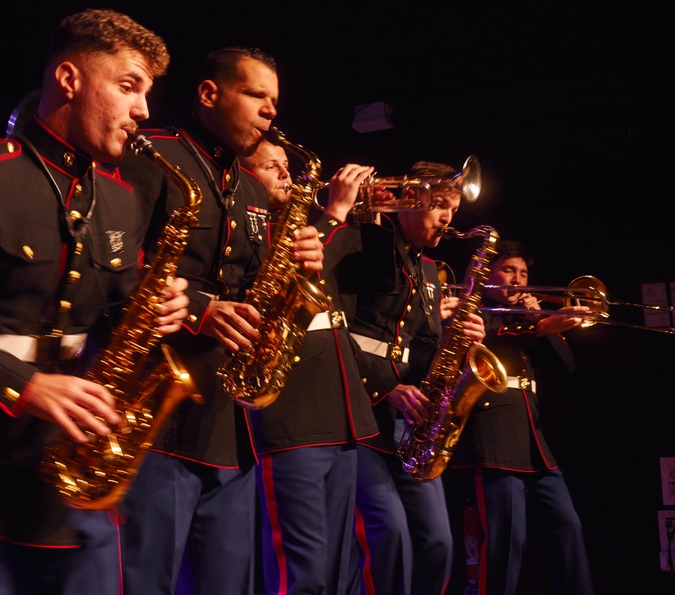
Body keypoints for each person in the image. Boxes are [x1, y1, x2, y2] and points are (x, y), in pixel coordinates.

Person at [0, 8, 190, 595]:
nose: (144, 110)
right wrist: (25, 386)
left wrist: (154, 312)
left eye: (147, 92)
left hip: (65, 480)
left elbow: (113, 314)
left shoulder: (121, 200)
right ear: (69, 79)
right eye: (128, 86)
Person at [117, 46, 324, 595]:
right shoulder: (153, 155)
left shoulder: (253, 187)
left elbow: (258, 285)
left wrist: (298, 261)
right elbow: (114, 265)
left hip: (231, 428)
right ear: (210, 94)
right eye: (257, 95)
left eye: (274, 100)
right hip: (154, 418)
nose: (270, 111)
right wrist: (202, 312)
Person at [336, 161, 487, 595]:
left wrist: (458, 343)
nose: (446, 218)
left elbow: (421, 348)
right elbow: (338, 328)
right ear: (406, 200)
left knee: (438, 542)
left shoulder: (429, 272)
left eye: (453, 210)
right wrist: (386, 386)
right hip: (361, 411)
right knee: (389, 536)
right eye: (438, 205)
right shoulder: (364, 244)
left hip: (409, 423)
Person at [240, 139, 379, 594]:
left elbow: (374, 288)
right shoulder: (252, 233)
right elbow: (286, 277)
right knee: (303, 574)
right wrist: (336, 213)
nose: (286, 174)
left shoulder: (307, 226)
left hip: (341, 417)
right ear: (244, 176)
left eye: (286, 166)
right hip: (291, 418)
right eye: (271, 166)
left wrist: (366, 216)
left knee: (340, 568)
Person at [445, 239, 595, 595]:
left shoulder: (527, 318)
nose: (517, 279)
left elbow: (566, 366)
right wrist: (537, 325)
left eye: (523, 273)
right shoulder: (474, 311)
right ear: (490, 274)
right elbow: (495, 340)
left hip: (534, 442)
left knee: (568, 528)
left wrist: (541, 318)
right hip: (494, 438)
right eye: (509, 270)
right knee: (504, 545)